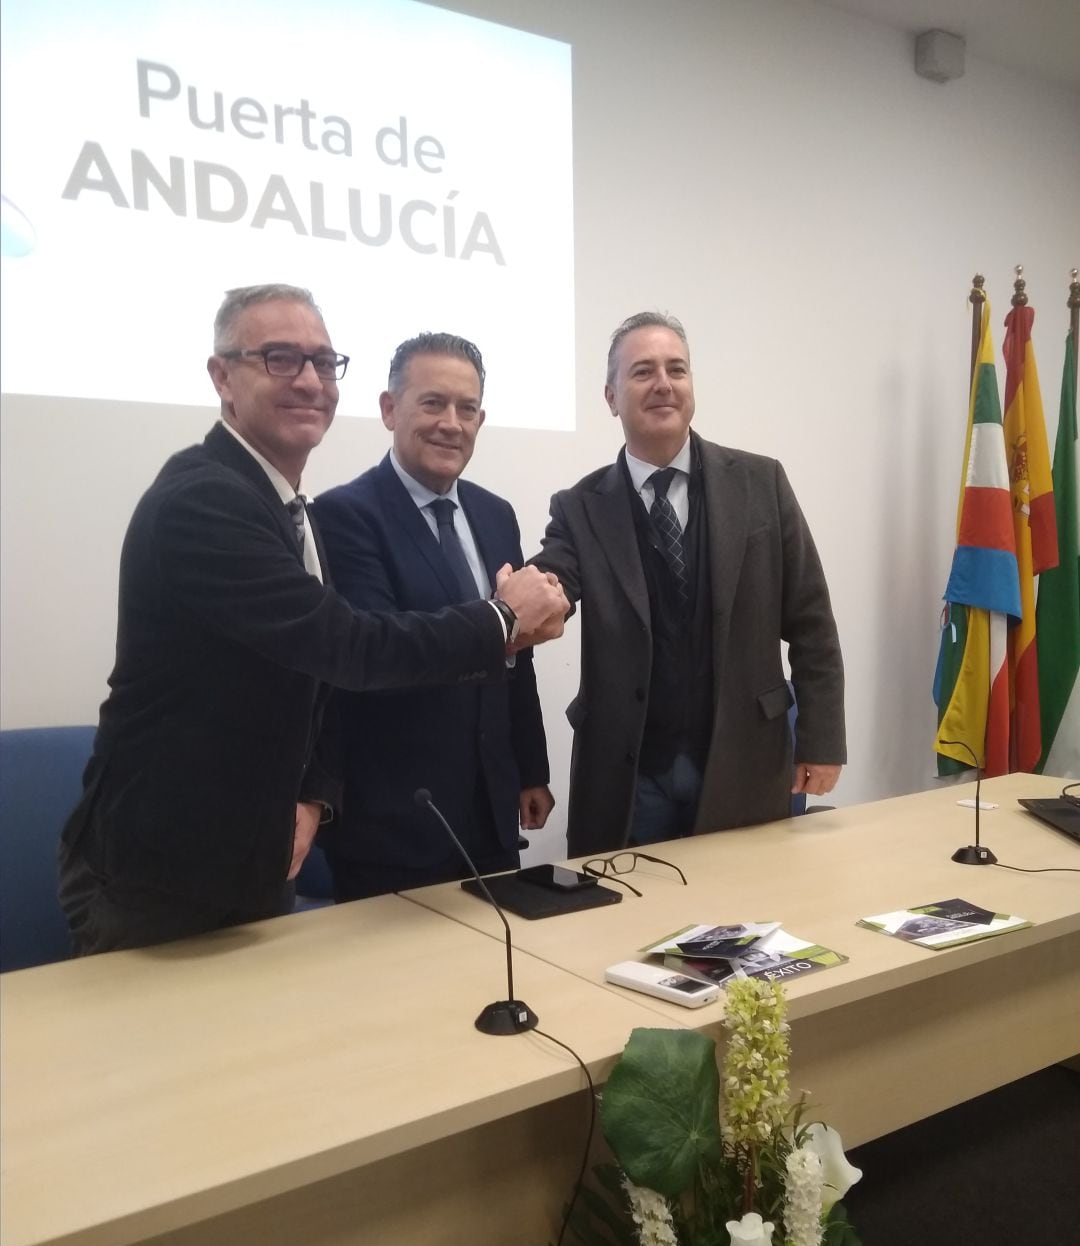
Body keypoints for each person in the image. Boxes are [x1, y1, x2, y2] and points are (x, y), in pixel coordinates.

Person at [58, 285, 567, 955]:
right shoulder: (204, 501)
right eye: (278, 358)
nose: (308, 381)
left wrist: (315, 797)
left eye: (324, 364)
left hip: (257, 856)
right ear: (222, 377)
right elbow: (351, 648)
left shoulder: (285, 507)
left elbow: (314, 680)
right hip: (164, 872)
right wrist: (504, 617)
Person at [533, 311, 845, 858]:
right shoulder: (579, 508)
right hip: (629, 776)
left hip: (742, 758)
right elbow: (553, 582)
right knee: (629, 930)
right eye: (643, 372)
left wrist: (821, 741)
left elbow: (812, 620)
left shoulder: (761, 482)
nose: (663, 384)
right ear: (610, 396)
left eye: (676, 369)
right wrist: (519, 603)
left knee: (745, 923)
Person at [311, 333, 553, 898]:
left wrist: (529, 768)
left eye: (467, 409)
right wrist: (503, 620)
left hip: (490, 810)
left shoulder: (495, 514)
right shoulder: (345, 515)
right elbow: (378, 655)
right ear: (389, 410)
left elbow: (519, 656)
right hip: (393, 823)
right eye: (432, 403)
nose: (451, 422)